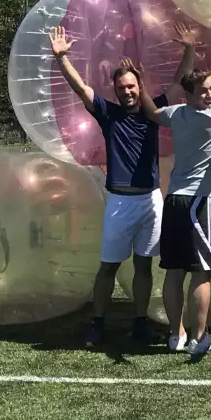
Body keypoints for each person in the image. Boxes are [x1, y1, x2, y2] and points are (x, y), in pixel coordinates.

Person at [48, 23, 195, 348]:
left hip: (150, 202)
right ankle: (97, 323)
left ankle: (139, 321)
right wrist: (62, 59)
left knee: (144, 264)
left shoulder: (154, 112)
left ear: (139, 86)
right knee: (109, 266)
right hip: (119, 203)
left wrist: (189, 49)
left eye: (131, 86)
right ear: (115, 90)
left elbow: (179, 84)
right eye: (121, 88)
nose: (127, 91)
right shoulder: (108, 113)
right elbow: (80, 87)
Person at [141, 68, 211, 355]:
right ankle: (199, 338)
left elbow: (153, 113)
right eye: (203, 90)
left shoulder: (177, 112)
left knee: (175, 271)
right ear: (189, 95)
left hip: (175, 200)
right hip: (199, 203)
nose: (210, 94)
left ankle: (175, 335)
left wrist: (142, 86)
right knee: (201, 272)